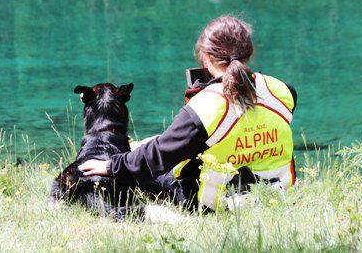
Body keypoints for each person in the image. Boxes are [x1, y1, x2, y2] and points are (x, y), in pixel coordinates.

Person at [79, 15, 297, 210]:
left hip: (214, 201)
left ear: (205, 57)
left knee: (150, 168)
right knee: (154, 143)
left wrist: (110, 166)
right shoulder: (282, 91)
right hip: (274, 193)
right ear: (249, 53)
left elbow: (158, 157)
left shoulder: (205, 106)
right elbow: (244, 123)